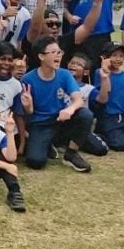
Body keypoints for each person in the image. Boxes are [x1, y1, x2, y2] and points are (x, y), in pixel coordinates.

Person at [20, 36, 95, 171]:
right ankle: (48, 144)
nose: (58, 56)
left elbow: (78, 100)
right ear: (41, 56)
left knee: (85, 115)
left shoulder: (64, 75)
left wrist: (70, 110)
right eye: (53, 52)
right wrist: (28, 106)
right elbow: (29, 113)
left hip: (61, 120)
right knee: (35, 161)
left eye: (59, 52)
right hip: (40, 124)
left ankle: (71, 154)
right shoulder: (28, 79)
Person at [92, 42, 124, 151]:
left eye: (121, 56)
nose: (118, 59)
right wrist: (105, 71)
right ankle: (101, 133)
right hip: (109, 115)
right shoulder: (100, 73)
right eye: (114, 55)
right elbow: (104, 93)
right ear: (105, 58)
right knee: (119, 144)